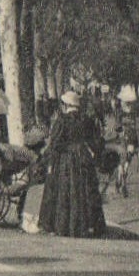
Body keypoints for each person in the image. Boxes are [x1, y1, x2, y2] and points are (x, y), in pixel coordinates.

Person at [36, 90, 106, 237]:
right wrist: (96, 155)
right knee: (84, 191)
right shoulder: (86, 120)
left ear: (66, 105)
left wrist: (47, 160)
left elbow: (55, 144)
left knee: (64, 192)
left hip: (66, 160)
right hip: (83, 158)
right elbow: (94, 141)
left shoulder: (62, 121)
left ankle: (63, 226)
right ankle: (86, 226)